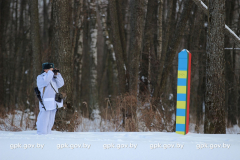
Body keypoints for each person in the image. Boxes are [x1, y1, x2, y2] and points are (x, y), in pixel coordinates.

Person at [36, 62, 64, 134]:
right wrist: (51, 73)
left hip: (54, 102)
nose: (51, 71)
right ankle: (41, 133)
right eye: (50, 69)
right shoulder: (41, 77)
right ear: (45, 69)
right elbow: (45, 81)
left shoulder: (52, 77)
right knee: (43, 119)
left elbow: (61, 84)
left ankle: (48, 133)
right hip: (45, 102)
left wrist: (57, 75)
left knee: (51, 119)